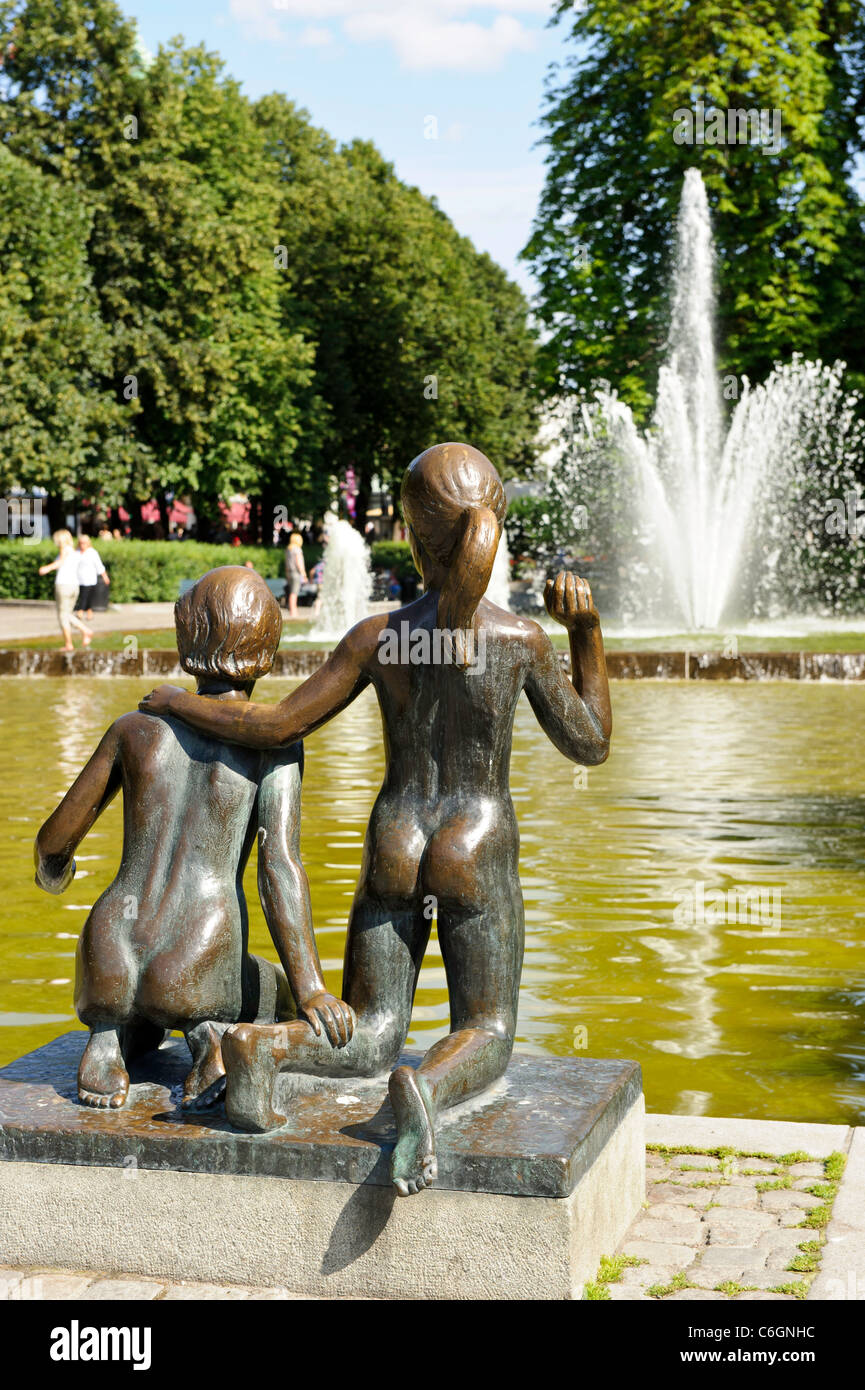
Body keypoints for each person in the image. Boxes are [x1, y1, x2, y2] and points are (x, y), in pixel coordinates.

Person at [140, 444, 611, 1196]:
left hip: (397, 837)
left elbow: (273, 725)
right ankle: (427, 1091)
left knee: (370, 1030)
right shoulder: (520, 640)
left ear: (414, 532)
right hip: (475, 843)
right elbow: (589, 745)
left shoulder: (376, 637)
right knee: (484, 1030)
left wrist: (175, 702)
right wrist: (585, 633)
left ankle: (263, 1046)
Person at [36, 567, 353, 1112]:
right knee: (270, 991)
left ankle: (108, 1040)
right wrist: (311, 989)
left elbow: (54, 840)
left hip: (109, 949)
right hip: (200, 956)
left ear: (188, 638)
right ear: (266, 648)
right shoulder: (272, 747)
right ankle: (209, 1039)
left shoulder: (133, 729)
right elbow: (278, 867)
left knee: (131, 1003)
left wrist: (54, 872)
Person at [38, 529, 92, 651]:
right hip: (74, 585)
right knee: (67, 614)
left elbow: (61, 562)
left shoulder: (64, 549)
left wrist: (47, 568)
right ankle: (84, 632)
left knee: (63, 615)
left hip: (63, 585)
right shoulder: (74, 551)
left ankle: (71, 642)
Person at [75, 534, 109, 622]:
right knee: (86, 596)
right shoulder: (76, 552)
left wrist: (104, 576)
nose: (82, 545)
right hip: (78, 579)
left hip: (89, 578)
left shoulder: (92, 553)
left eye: (84, 543)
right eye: (81, 543)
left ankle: (80, 611)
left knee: (84, 595)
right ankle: (89, 611)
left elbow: (99, 566)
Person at [284, 532, 307, 619]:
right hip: (296, 573)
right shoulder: (297, 550)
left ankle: (292, 610)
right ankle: (293, 611)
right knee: (294, 592)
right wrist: (303, 574)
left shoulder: (288, 549)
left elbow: (286, 563)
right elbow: (299, 563)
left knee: (291, 591)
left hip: (289, 572)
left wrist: (287, 574)